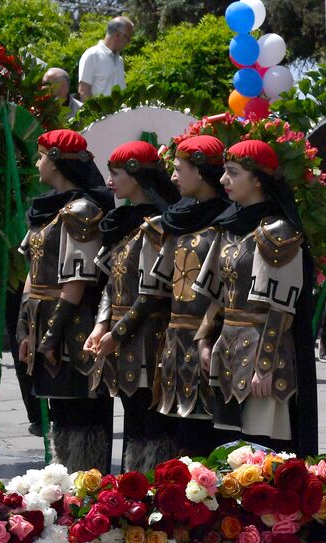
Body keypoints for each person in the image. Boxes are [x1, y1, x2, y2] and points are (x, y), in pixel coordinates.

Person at [193, 139, 318, 455]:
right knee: (227, 451)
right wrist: (205, 340)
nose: (223, 181)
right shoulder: (229, 229)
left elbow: (281, 308)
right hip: (227, 354)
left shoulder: (280, 232)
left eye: (233, 173)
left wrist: (265, 365)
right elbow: (217, 296)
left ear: (258, 180)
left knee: (261, 452)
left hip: (264, 356)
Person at [16, 129, 115, 473]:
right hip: (44, 322)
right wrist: (25, 331)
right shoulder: (45, 210)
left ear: (56, 164)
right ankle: (65, 485)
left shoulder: (82, 211)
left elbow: (76, 283)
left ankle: (88, 488)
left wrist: (50, 337)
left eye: (41, 156)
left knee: (81, 412)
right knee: (60, 413)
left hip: (74, 325)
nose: (36, 163)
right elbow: (31, 274)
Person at [85, 140, 180, 472]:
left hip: (150, 337)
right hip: (123, 338)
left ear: (137, 177)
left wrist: (116, 333)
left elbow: (152, 293)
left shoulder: (157, 226)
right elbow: (113, 285)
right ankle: (133, 485)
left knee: (149, 420)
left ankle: (153, 487)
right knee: (131, 418)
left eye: (116, 173)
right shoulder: (124, 224)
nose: (110, 181)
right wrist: (100, 325)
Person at [143, 134, 232, 457]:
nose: (173, 177)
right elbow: (159, 287)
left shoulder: (228, 223)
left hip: (213, 342)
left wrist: (208, 338)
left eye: (179, 168)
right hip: (175, 346)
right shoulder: (177, 221)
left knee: (209, 437)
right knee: (181, 436)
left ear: (200, 172)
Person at [78, 16, 133, 100]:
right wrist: (95, 113)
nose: (129, 42)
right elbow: (83, 91)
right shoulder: (92, 55)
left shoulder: (119, 60)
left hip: (120, 113)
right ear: (117, 35)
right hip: (99, 113)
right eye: (128, 38)